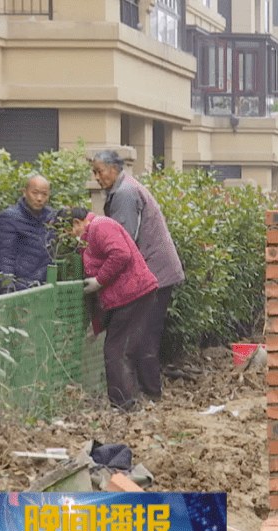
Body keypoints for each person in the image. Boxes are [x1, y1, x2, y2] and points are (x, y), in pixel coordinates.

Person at [91, 150, 184, 401]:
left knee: (143, 340)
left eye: (100, 171)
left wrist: (100, 278)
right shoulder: (125, 189)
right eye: (94, 172)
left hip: (154, 274)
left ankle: (151, 396)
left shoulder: (124, 194)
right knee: (143, 338)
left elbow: (123, 244)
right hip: (157, 271)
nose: (97, 177)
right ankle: (149, 395)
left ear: (114, 169)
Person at [62, 207, 158, 411]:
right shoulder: (92, 234)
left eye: (69, 231)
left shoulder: (100, 226)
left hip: (133, 294)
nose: (70, 236)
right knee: (121, 350)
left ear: (78, 223)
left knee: (116, 351)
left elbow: (120, 253)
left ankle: (124, 406)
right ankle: (128, 403)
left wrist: (99, 280)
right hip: (129, 296)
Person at [0, 174, 56, 294]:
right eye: (35, 193)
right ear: (24, 192)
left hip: (45, 285)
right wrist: (7, 284)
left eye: (44, 194)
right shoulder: (10, 217)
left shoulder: (52, 216)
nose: (39, 198)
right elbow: (6, 254)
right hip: (19, 286)